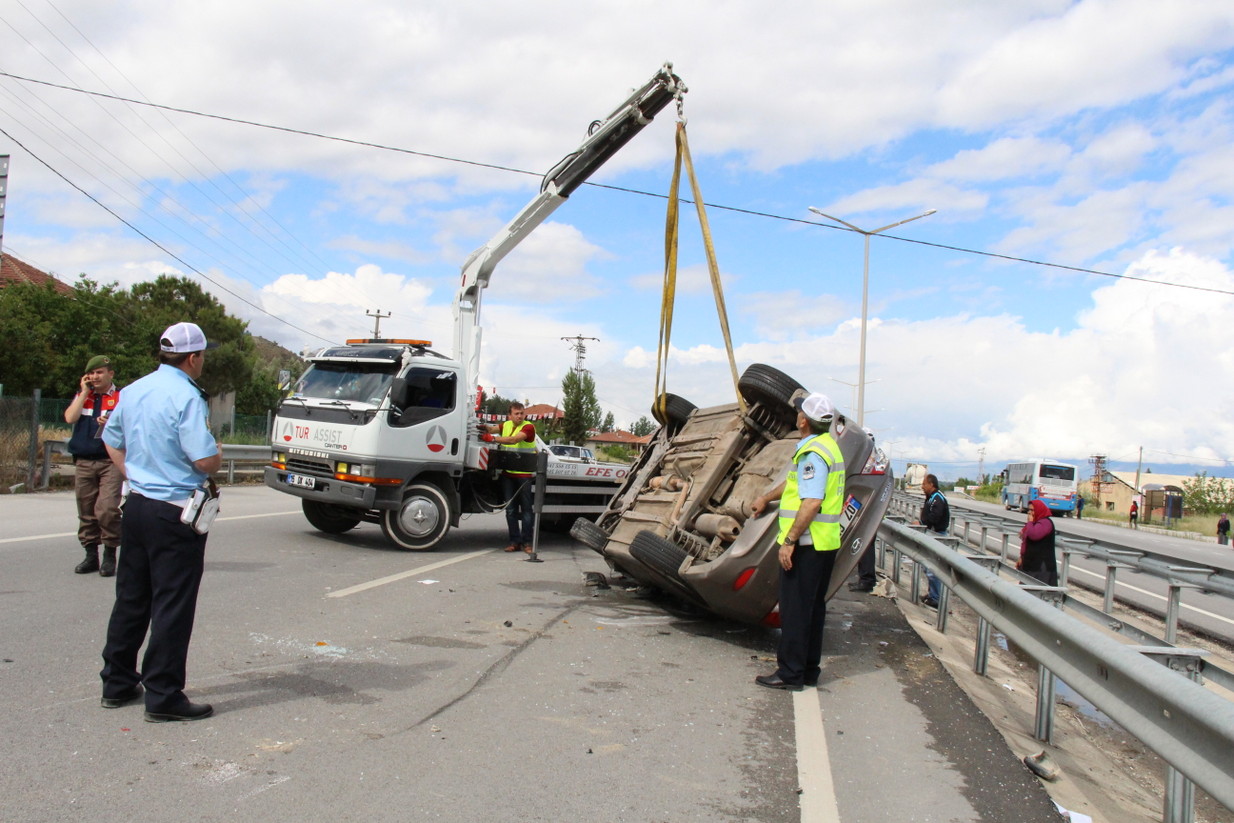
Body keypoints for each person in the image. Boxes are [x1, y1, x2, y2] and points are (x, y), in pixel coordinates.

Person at [98, 322, 223, 722]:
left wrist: (136, 476)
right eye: (203, 356)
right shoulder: (188, 396)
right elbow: (204, 460)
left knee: (131, 598)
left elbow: (112, 440)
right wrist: (217, 455)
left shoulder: (134, 390)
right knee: (172, 603)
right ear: (193, 358)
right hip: (174, 511)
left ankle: (117, 682)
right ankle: (164, 694)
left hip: (137, 505)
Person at [750, 392, 845, 691]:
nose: (797, 415)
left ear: (804, 421)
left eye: (799, 412)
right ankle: (808, 670)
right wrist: (766, 497)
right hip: (824, 542)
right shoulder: (828, 446)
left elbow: (811, 501)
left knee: (794, 611)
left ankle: (790, 674)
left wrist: (790, 540)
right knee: (813, 609)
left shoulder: (812, 454)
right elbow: (796, 484)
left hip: (806, 544)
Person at [64, 355, 123, 576]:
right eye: (91, 373)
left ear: (110, 374)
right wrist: (84, 393)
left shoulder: (121, 397)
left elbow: (132, 425)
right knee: (86, 510)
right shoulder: (83, 396)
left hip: (110, 460)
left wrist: (112, 423)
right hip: (84, 460)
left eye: (99, 372)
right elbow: (70, 418)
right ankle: (91, 556)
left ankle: (109, 555)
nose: (95, 377)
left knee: (107, 509)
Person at [482, 402, 537, 553]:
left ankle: (527, 543)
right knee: (510, 510)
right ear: (510, 415)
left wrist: (492, 439)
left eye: (522, 413)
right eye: (516, 414)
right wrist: (484, 427)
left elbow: (514, 440)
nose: (520, 416)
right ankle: (514, 542)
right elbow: (492, 429)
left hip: (523, 475)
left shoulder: (528, 427)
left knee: (526, 510)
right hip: (508, 474)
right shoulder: (505, 425)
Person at [915, 474, 950, 608]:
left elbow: (935, 517)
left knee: (933, 568)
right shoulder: (931, 497)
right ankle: (932, 595)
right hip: (932, 534)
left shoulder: (937, 498)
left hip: (937, 535)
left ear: (931, 484)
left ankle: (935, 598)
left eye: (924, 484)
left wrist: (921, 523)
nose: (922, 487)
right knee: (928, 566)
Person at [1017, 499, 1058, 585]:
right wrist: (1021, 557)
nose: (1029, 512)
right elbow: (1025, 542)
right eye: (1028, 510)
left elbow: (1034, 535)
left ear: (1039, 510)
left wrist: (1030, 522)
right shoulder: (1035, 523)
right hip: (1031, 565)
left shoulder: (1045, 523)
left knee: (1037, 591)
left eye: (1032, 510)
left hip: (1042, 568)